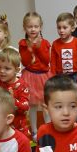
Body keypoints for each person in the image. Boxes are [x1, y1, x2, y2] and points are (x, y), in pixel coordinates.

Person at [19, 11, 52, 140]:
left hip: (44, 76)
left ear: (40, 27)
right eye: (29, 26)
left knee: (45, 104)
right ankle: (34, 131)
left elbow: (46, 60)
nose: (33, 29)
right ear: (24, 28)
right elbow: (25, 62)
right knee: (32, 106)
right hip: (30, 76)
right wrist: (29, 49)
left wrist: (38, 48)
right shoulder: (23, 43)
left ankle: (48, 129)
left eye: (36, 26)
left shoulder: (45, 42)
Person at [0, 48, 30, 140]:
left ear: (17, 70)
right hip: (1, 130)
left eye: (7, 68)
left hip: (19, 130)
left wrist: (12, 100)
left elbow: (25, 107)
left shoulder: (22, 86)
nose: (2, 71)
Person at [51, 12, 77, 84]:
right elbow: (53, 63)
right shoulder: (55, 44)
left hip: (74, 76)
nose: (61, 30)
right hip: (60, 76)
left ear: (72, 29)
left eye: (65, 28)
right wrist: (53, 77)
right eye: (59, 28)